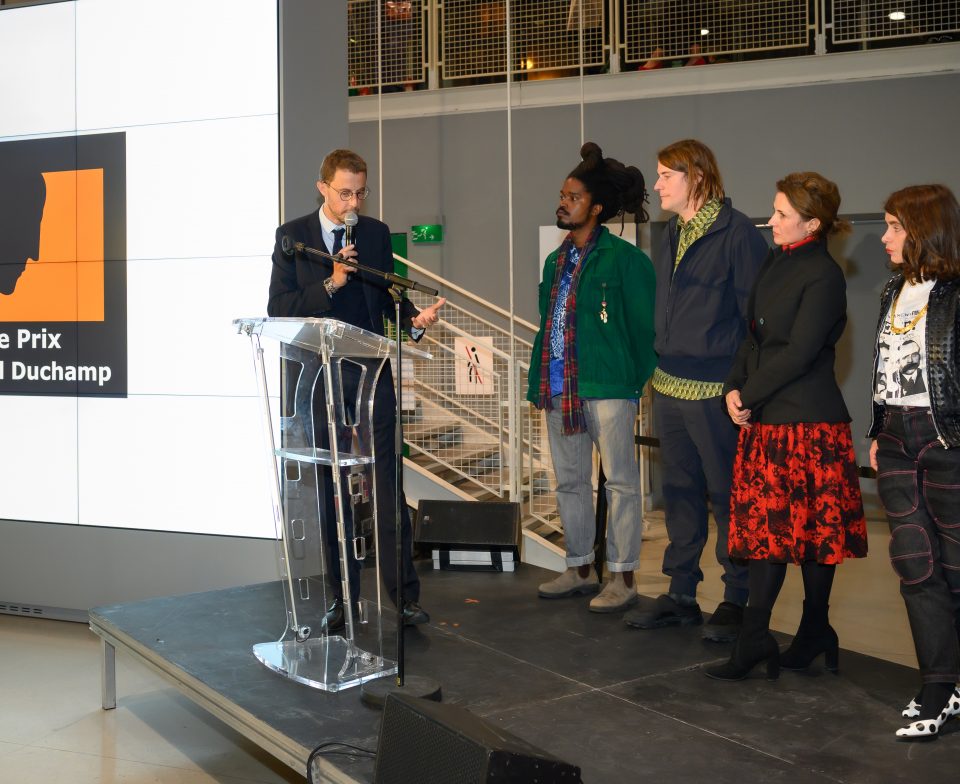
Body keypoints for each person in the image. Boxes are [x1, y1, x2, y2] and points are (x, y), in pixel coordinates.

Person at [267, 148, 445, 631]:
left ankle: (403, 597)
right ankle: (339, 599)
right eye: (344, 192)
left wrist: (413, 323)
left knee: (388, 484)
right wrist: (330, 282)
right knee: (332, 492)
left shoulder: (375, 234)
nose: (353, 203)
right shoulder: (293, 238)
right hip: (319, 375)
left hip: (370, 372)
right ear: (322, 187)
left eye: (360, 192)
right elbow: (279, 307)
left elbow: (389, 293)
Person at [704, 172, 867, 681]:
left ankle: (811, 630)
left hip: (807, 424)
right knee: (763, 535)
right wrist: (732, 387)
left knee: (810, 535)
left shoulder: (824, 276)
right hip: (768, 419)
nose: (770, 221)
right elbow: (750, 337)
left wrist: (747, 395)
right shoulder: (777, 260)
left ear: (812, 223)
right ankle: (761, 638)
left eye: (781, 214)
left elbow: (799, 353)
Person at [623, 139, 767, 641]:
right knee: (679, 492)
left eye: (666, 175)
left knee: (728, 494)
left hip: (716, 390)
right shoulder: (672, 233)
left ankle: (736, 598)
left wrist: (741, 386)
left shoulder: (739, 234)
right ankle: (681, 592)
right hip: (668, 385)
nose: (657, 184)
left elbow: (756, 321)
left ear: (697, 177)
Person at [529, 142, 656, 613]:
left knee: (620, 483)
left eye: (574, 196)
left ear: (597, 208)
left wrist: (629, 382)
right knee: (569, 482)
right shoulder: (553, 261)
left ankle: (622, 578)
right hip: (560, 387)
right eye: (562, 194)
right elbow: (549, 321)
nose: (563, 202)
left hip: (608, 388)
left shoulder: (626, 261)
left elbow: (647, 331)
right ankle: (580, 567)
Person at [868, 184, 960, 740]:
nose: (885, 237)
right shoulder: (891, 292)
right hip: (900, 438)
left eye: (895, 227)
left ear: (925, 230)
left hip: (947, 438)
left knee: (956, 567)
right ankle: (938, 685)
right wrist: (879, 429)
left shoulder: (956, 294)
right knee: (915, 563)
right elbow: (885, 371)